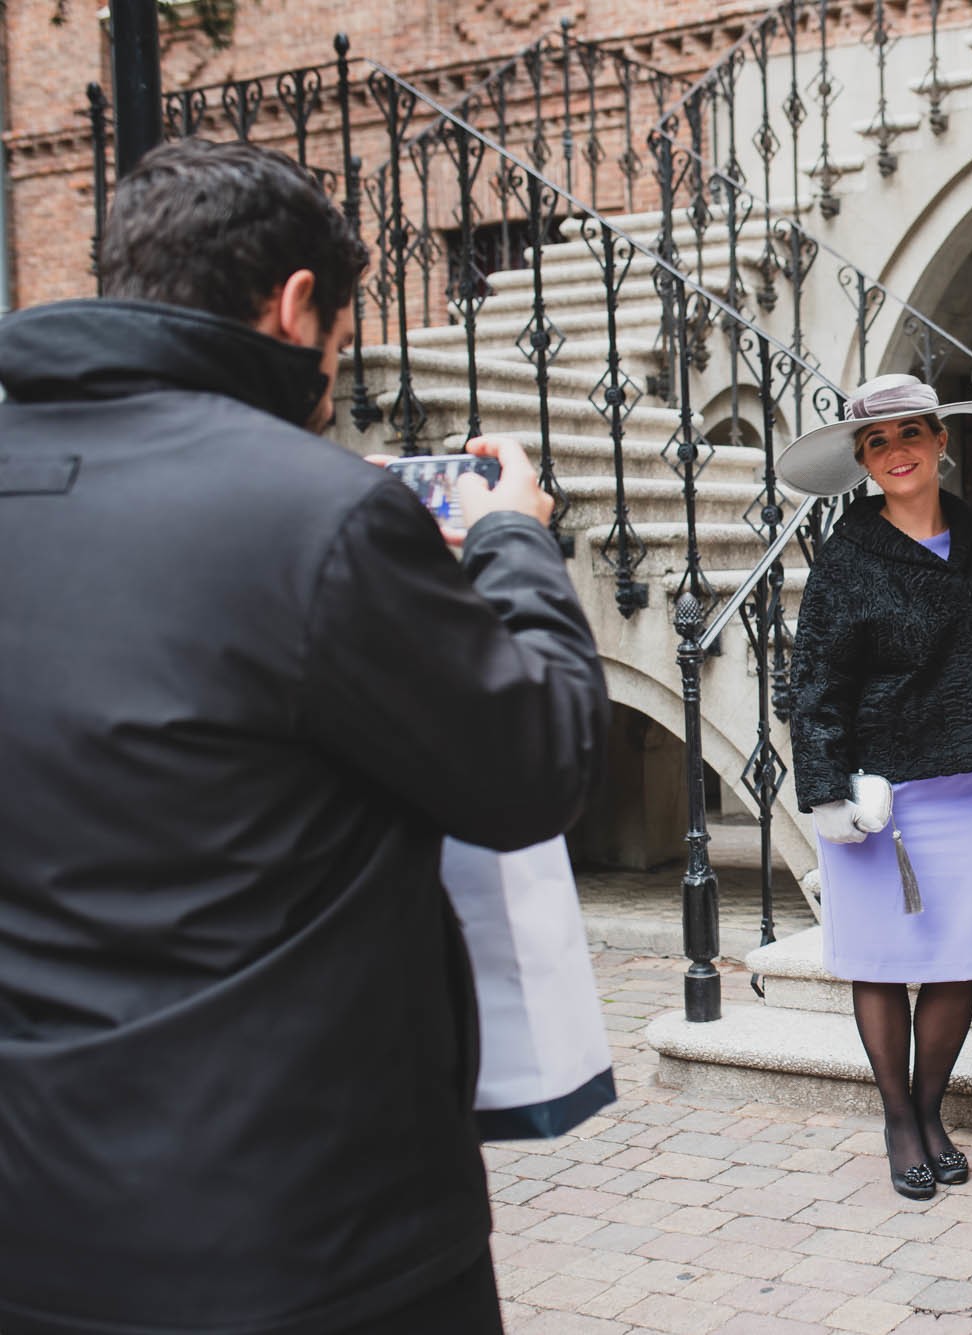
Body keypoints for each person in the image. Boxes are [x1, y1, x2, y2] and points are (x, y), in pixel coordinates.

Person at [0, 140, 609, 1334]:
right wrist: (513, 543)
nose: (336, 371)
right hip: (302, 1233)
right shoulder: (317, 515)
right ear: (292, 307)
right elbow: (537, 766)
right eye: (338, 339)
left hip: (41, 1214)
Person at [780, 373, 972, 1201]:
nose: (897, 453)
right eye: (877, 442)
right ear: (862, 458)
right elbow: (812, 683)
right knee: (881, 963)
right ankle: (898, 1120)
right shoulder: (846, 557)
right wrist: (827, 790)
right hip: (877, 793)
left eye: (911, 433)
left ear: (940, 439)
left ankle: (931, 1107)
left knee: (957, 960)